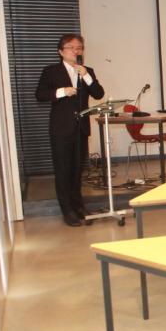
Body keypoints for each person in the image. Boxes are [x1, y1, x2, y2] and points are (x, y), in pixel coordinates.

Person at [35, 33, 105, 227]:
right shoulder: (51, 71)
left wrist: (87, 77)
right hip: (61, 128)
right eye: (72, 47)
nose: (76, 51)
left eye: (79, 47)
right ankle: (67, 210)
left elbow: (99, 93)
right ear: (61, 51)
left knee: (77, 170)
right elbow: (39, 94)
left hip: (81, 128)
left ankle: (79, 206)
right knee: (63, 170)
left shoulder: (87, 71)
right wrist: (61, 92)